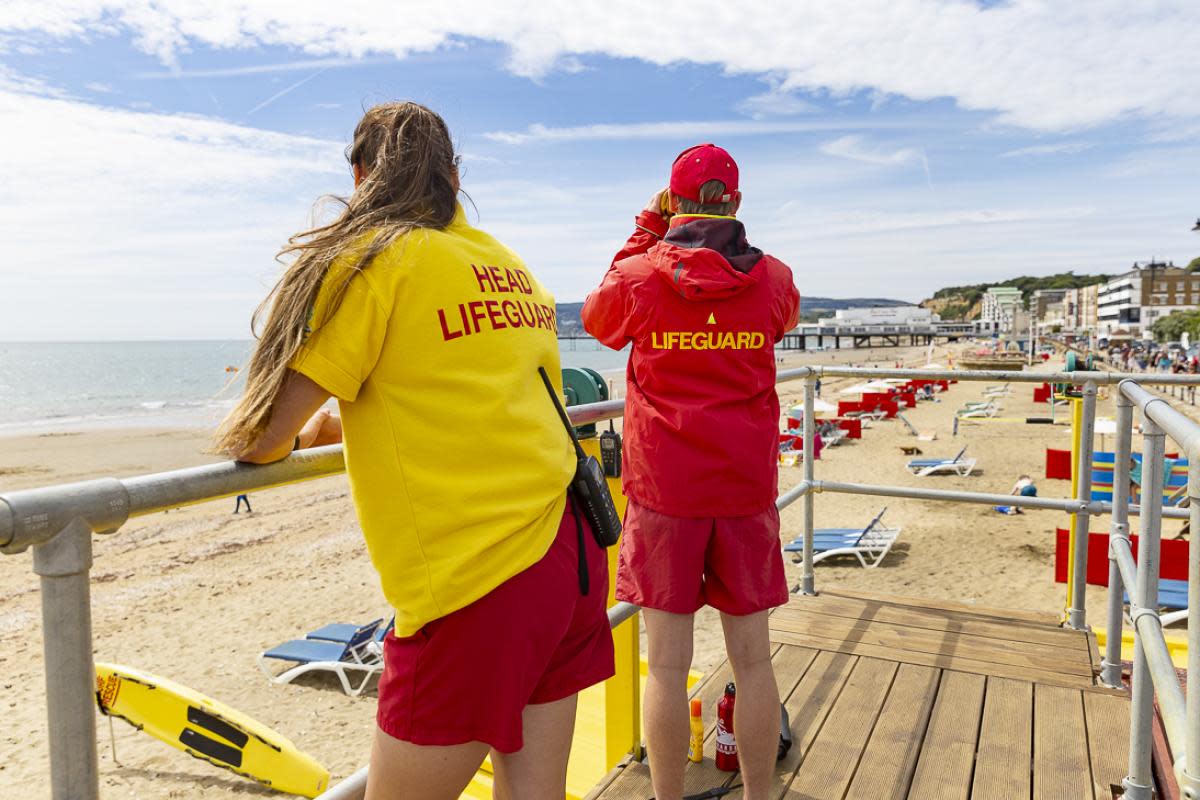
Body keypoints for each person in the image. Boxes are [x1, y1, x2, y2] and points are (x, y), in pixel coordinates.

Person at [213, 102, 613, 800]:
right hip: (569, 556)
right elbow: (468, 389)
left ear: (363, 177)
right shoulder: (505, 263)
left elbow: (260, 437)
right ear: (454, 178)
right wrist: (349, 425)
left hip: (480, 581)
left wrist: (291, 430)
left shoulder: (373, 262)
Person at [582, 143, 799, 800]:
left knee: (667, 669)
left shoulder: (643, 276)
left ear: (672, 202)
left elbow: (599, 319)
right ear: (735, 204)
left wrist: (646, 232)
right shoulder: (776, 279)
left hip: (665, 492)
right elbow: (777, 323)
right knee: (754, 663)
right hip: (742, 489)